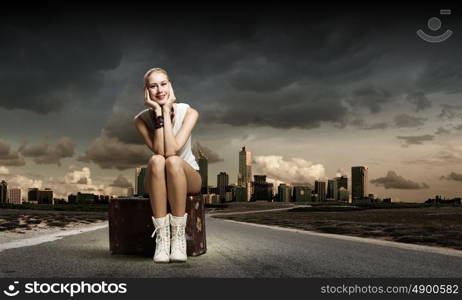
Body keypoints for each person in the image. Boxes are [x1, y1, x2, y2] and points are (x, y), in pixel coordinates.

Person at [133, 67, 202, 263]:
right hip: (157, 178)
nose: (159, 90)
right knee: (156, 160)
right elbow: (159, 151)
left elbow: (172, 151)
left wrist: (165, 108)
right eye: (153, 86)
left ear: (170, 86)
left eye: (163, 84)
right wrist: (158, 111)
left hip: (187, 175)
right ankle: (163, 239)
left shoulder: (189, 112)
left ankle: (178, 236)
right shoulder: (140, 120)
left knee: (172, 161)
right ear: (146, 91)